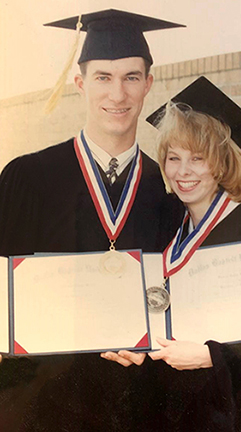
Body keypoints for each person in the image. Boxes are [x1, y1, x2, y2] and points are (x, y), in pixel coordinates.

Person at [0, 10, 185, 432]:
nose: (118, 94)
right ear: (80, 84)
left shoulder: (168, 189)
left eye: (131, 77)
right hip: (39, 402)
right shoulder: (27, 177)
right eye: (103, 77)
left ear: (148, 84)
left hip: (138, 403)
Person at [145, 76, 241, 431]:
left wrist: (209, 355)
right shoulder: (171, 227)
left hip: (227, 414)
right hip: (177, 407)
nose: (183, 172)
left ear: (221, 164)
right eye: (174, 158)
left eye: (198, 158)